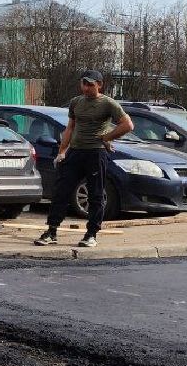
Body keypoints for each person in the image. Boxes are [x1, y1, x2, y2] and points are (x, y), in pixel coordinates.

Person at [35, 70, 133, 249]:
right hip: (75, 152)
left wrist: (107, 137)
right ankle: (51, 231)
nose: (86, 88)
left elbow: (127, 125)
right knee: (61, 191)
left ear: (99, 85)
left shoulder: (108, 104)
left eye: (90, 84)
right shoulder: (76, 102)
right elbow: (70, 128)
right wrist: (62, 151)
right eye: (84, 84)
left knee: (95, 194)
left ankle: (91, 234)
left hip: (95, 154)